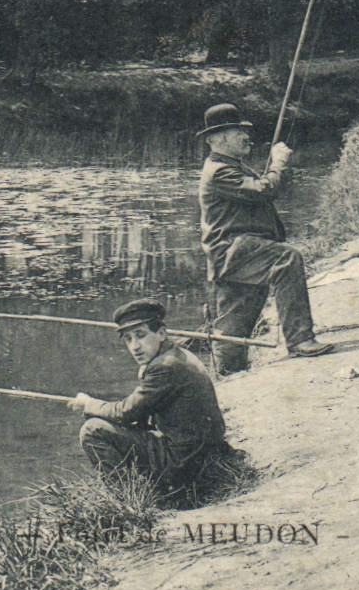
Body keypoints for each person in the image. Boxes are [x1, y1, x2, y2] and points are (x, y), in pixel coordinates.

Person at [196, 103, 332, 374]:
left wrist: (275, 169)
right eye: (239, 133)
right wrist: (278, 163)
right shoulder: (220, 171)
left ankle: (226, 379)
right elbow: (261, 191)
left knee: (231, 336)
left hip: (241, 254)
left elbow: (266, 189)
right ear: (217, 139)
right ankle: (300, 340)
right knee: (287, 258)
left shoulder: (230, 165)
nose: (247, 137)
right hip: (235, 252)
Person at [70, 298, 226, 487]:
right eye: (128, 339)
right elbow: (139, 411)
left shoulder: (165, 367)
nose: (134, 346)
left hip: (185, 465)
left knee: (92, 429)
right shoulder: (175, 355)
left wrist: (90, 404)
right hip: (202, 455)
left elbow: (125, 412)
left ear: (161, 333)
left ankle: (127, 496)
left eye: (140, 335)